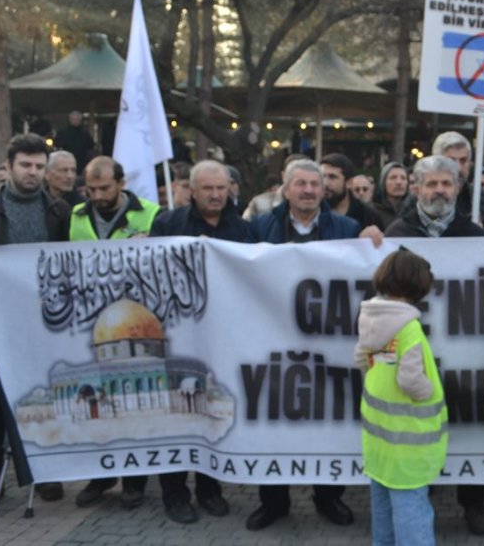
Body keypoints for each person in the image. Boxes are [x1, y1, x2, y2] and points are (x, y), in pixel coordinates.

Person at [382, 154, 484, 535]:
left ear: (457, 188)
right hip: (413, 351)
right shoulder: (395, 233)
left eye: (446, 184)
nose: (439, 191)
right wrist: (368, 243)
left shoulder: (475, 235)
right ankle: (419, 500)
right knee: (419, 425)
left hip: (463, 353)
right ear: (417, 188)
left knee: (466, 422)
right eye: (432, 184)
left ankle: (473, 503)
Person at [243, 160, 362, 529]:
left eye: (316, 184)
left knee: (330, 417)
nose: (309, 190)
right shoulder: (260, 227)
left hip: (328, 342)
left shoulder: (346, 228)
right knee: (272, 418)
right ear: (286, 186)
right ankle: (274, 500)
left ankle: (329, 497)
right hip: (273, 342)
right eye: (301, 184)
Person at [0, 134, 69, 509]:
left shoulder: (59, 212)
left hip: (43, 325)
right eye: (26, 165)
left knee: (43, 397)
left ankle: (45, 471)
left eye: (40, 167)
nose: (33, 173)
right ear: (8, 166)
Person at [149, 160, 254, 523]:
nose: (215, 195)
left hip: (221, 340)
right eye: (208, 189)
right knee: (176, 416)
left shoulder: (243, 230)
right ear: (191, 190)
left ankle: (210, 489)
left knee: (212, 411)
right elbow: (151, 272)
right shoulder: (167, 224)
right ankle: (174, 493)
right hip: (177, 335)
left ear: (230, 189)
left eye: (221, 188)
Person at [68, 157, 159, 508]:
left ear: (121, 183)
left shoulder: (151, 214)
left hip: (134, 321)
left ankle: (134, 482)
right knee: (98, 405)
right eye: (90, 189)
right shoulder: (75, 216)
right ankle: (100, 476)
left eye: (104, 188)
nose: (97, 195)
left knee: (131, 406)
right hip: (91, 323)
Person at [354, 249, 446, 546]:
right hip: (409, 442)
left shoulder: (369, 318)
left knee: (382, 509)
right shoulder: (409, 328)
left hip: (378, 440)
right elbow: (410, 379)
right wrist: (428, 390)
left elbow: (360, 359)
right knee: (412, 511)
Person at [320, 153, 384, 233]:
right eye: (322, 177)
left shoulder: (368, 216)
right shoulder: (312, 212)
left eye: (332, 177)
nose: (325, 183)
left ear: (349, 183)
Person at [372, 162, 409, 230]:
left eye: (403, 178)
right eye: (393, 178)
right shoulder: (371, 211)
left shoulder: (414, 210)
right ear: (383, 182)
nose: (399, 182)